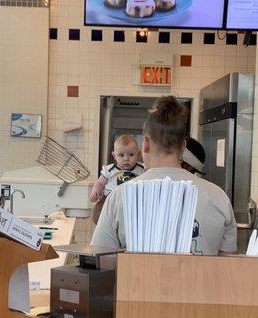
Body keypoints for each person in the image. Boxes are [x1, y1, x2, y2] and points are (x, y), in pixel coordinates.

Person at [91, 95, 237, 256]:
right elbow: (226, 264)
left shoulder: (119, 196)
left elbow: (103, 260)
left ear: (145, 144)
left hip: (138, 281)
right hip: (201, 281)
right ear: (183, 147)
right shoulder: (218, 196)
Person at [90, 134, 144, 225]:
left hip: (132, 201)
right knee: (98, 216)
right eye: (121, 155)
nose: (126, 159)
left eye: (131, 155)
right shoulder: (110, 170)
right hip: (109, 199)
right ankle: (104, 227)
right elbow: (100, 183)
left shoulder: (141, 169)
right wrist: (95, 192)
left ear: (138, 154)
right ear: (114, 155)